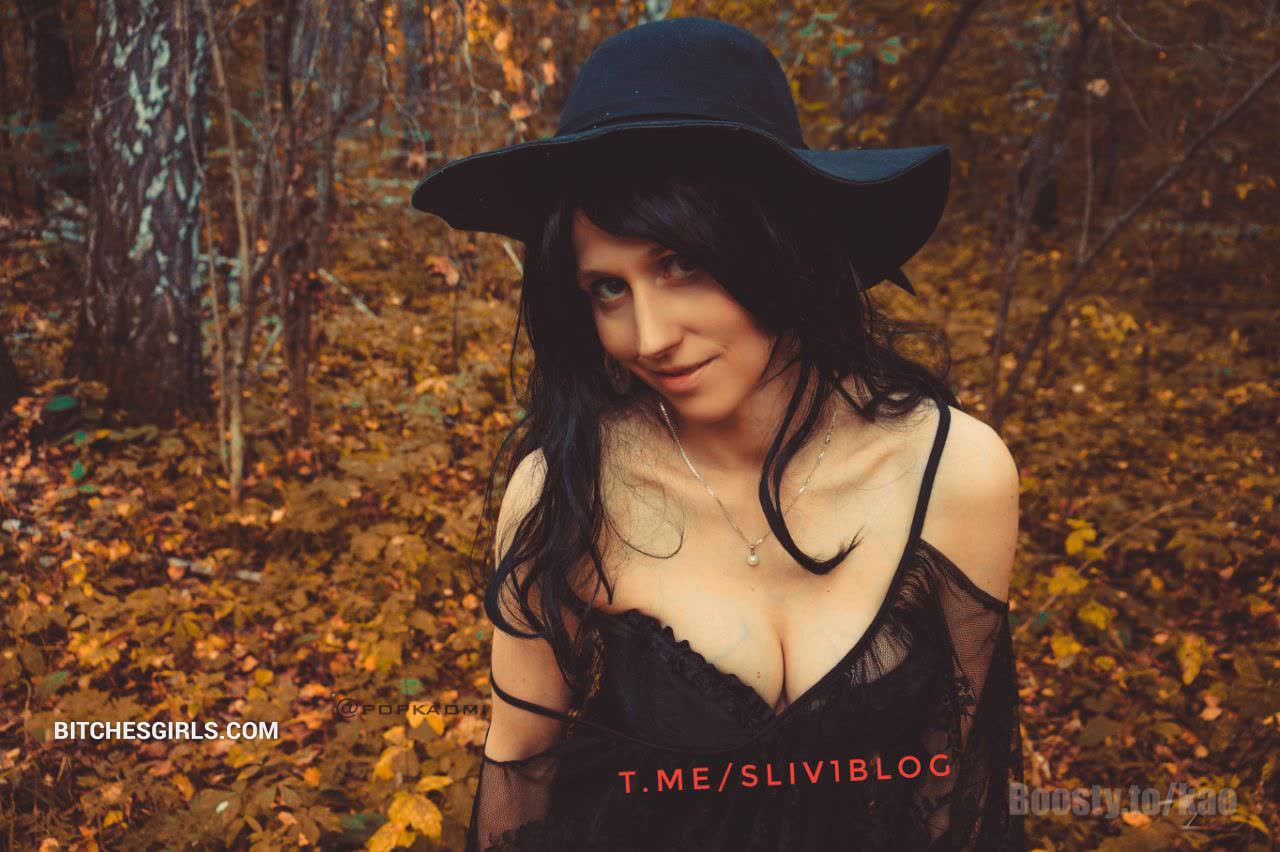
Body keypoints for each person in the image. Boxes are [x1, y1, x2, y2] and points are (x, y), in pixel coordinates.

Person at [410, 16, 1024, 852]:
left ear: (777, 244)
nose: (649, 336)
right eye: (607, 288)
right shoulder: (567, 488)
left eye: (680, 264)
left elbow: (954, 780)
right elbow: (520, 764)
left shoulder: (954, 473)